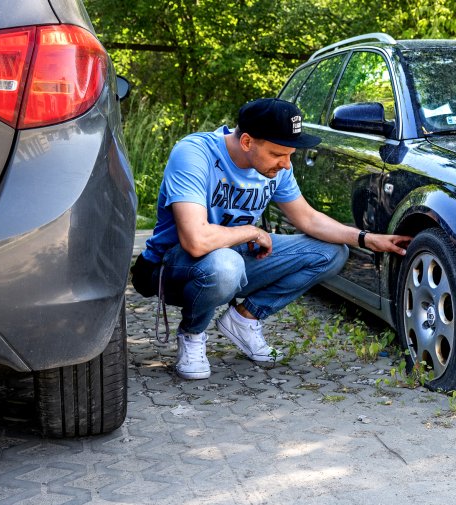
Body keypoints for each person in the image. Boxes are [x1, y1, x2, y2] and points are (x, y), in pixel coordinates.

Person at [131, 98, 411, 380]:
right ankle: (192, 333)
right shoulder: (194, 154)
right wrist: (252, 232)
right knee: (226, 265)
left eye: (290, 154)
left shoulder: (275, 167)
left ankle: (245, 318)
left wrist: (366, 238)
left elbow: (308, 219)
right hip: (173, 268)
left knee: (332, 252)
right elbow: (196, 240)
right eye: (278, 154)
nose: (286, 165)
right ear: (247, 142)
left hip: (233, 259)